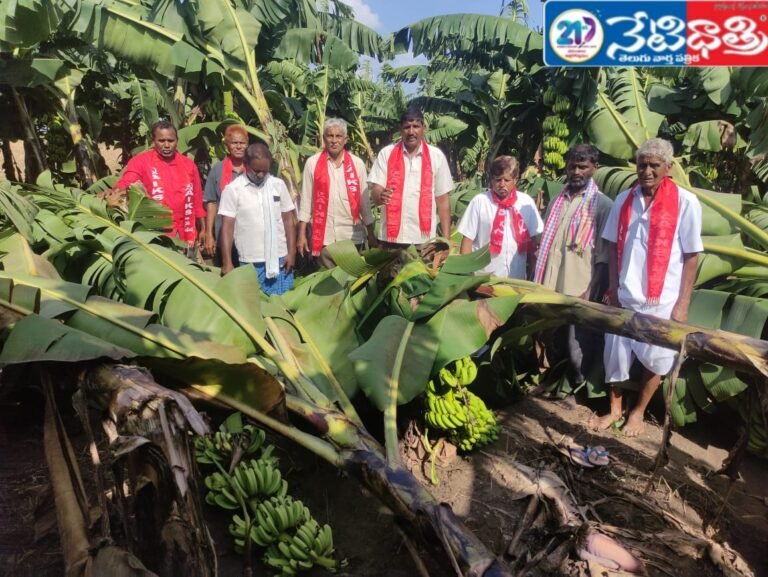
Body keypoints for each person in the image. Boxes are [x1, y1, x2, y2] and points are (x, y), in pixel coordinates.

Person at [591, 138, 702, 436]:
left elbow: (692, 256)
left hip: (662, 299)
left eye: (655, 165)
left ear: (668, 167)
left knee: (657, 357)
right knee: (614, 352)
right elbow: (613, 246)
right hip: (626, 295)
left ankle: (638, 412)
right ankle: (615, 409)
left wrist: (683, 303)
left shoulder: (685, 202)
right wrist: (613, 287)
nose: (648, 171)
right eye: (642, 165)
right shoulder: (624, 200)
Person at [533, 144, 613, 387]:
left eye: (583, 167)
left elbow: (602, 255)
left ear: (594, 169)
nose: (576, 171)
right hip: (551, 282)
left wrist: (592, 291)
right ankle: (551, 379)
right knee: (549, 335)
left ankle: (577, 386)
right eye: (572, 166)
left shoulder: (602, 205)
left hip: (579, 286)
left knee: (576, 341)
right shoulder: (558, 199)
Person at [114, 120, 207, 254]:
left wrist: (204, 230)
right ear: (153, 141)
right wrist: (114, 191)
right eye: (161, 140)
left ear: (177, 140)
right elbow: (126, 182)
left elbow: (197, 201)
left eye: (171, 140)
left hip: (187, 233)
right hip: (156, 235)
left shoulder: (188, 165)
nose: (167, 145)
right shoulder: (141, 162)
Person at [217, 143, 297, 296]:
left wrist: (291, 252)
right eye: (256, 171)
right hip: (251, 260)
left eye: (264, 171)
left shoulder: (277, 185)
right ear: (246, 165)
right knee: (255, 304)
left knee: (284, 304)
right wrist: (227, 261)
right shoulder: (233, 189)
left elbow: (288, 220)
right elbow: (227, 228)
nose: (261, 175)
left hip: (280, 259)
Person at [369, 107, 454, 247]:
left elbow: (443, 201)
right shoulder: (386, 154)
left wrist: (446, 241)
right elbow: (376, 189)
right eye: (407, 127)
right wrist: (380, 195)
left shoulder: (436, 157)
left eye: (416, 126)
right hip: (391, 240)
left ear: (423, 128)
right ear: (400, 129)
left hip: (423, 240)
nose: (411, 132)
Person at [297, 118, 374, 267]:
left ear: (345, 140)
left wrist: (371, 233)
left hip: (351, 238)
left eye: (338, 136)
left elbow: (364, 203)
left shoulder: (357, 164)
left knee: (351, 285)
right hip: (324, 239)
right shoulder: (312, 163)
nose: (334, 140)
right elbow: (306, 202)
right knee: (328, 285)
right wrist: (301, 235)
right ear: (323, 138)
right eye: (330, 136)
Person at [457, 155, 543, 279]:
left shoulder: (526, 203)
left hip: (517, 278)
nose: (502, 184)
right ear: (491, 180)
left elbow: (533, 243)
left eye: (507, 180)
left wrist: (532, 275)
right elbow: (467, 241)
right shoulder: (480, 201)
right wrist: (465, 274)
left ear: (515, 179)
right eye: (498, 180)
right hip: (483, 278)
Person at [203, 124, 249, 263]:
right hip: (224, 235)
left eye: (242, 143)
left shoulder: (254, 168)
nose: (239, 146)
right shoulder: (217, 170)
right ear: (227, 145)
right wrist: (209, 234)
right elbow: (212, 202)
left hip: (250, 237)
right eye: (234, 143)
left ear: (247, 145)